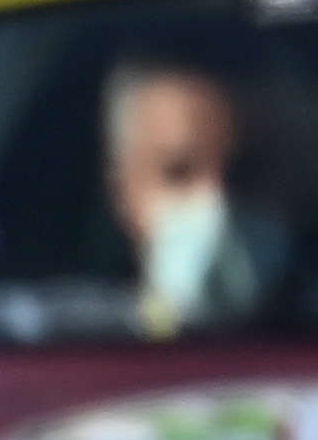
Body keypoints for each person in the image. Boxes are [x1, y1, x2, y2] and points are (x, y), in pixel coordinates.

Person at [99, 54, 282, 337]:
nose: (218, 205)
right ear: (123, 193)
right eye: (179, 173)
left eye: (245, 172)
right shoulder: (50, 347)